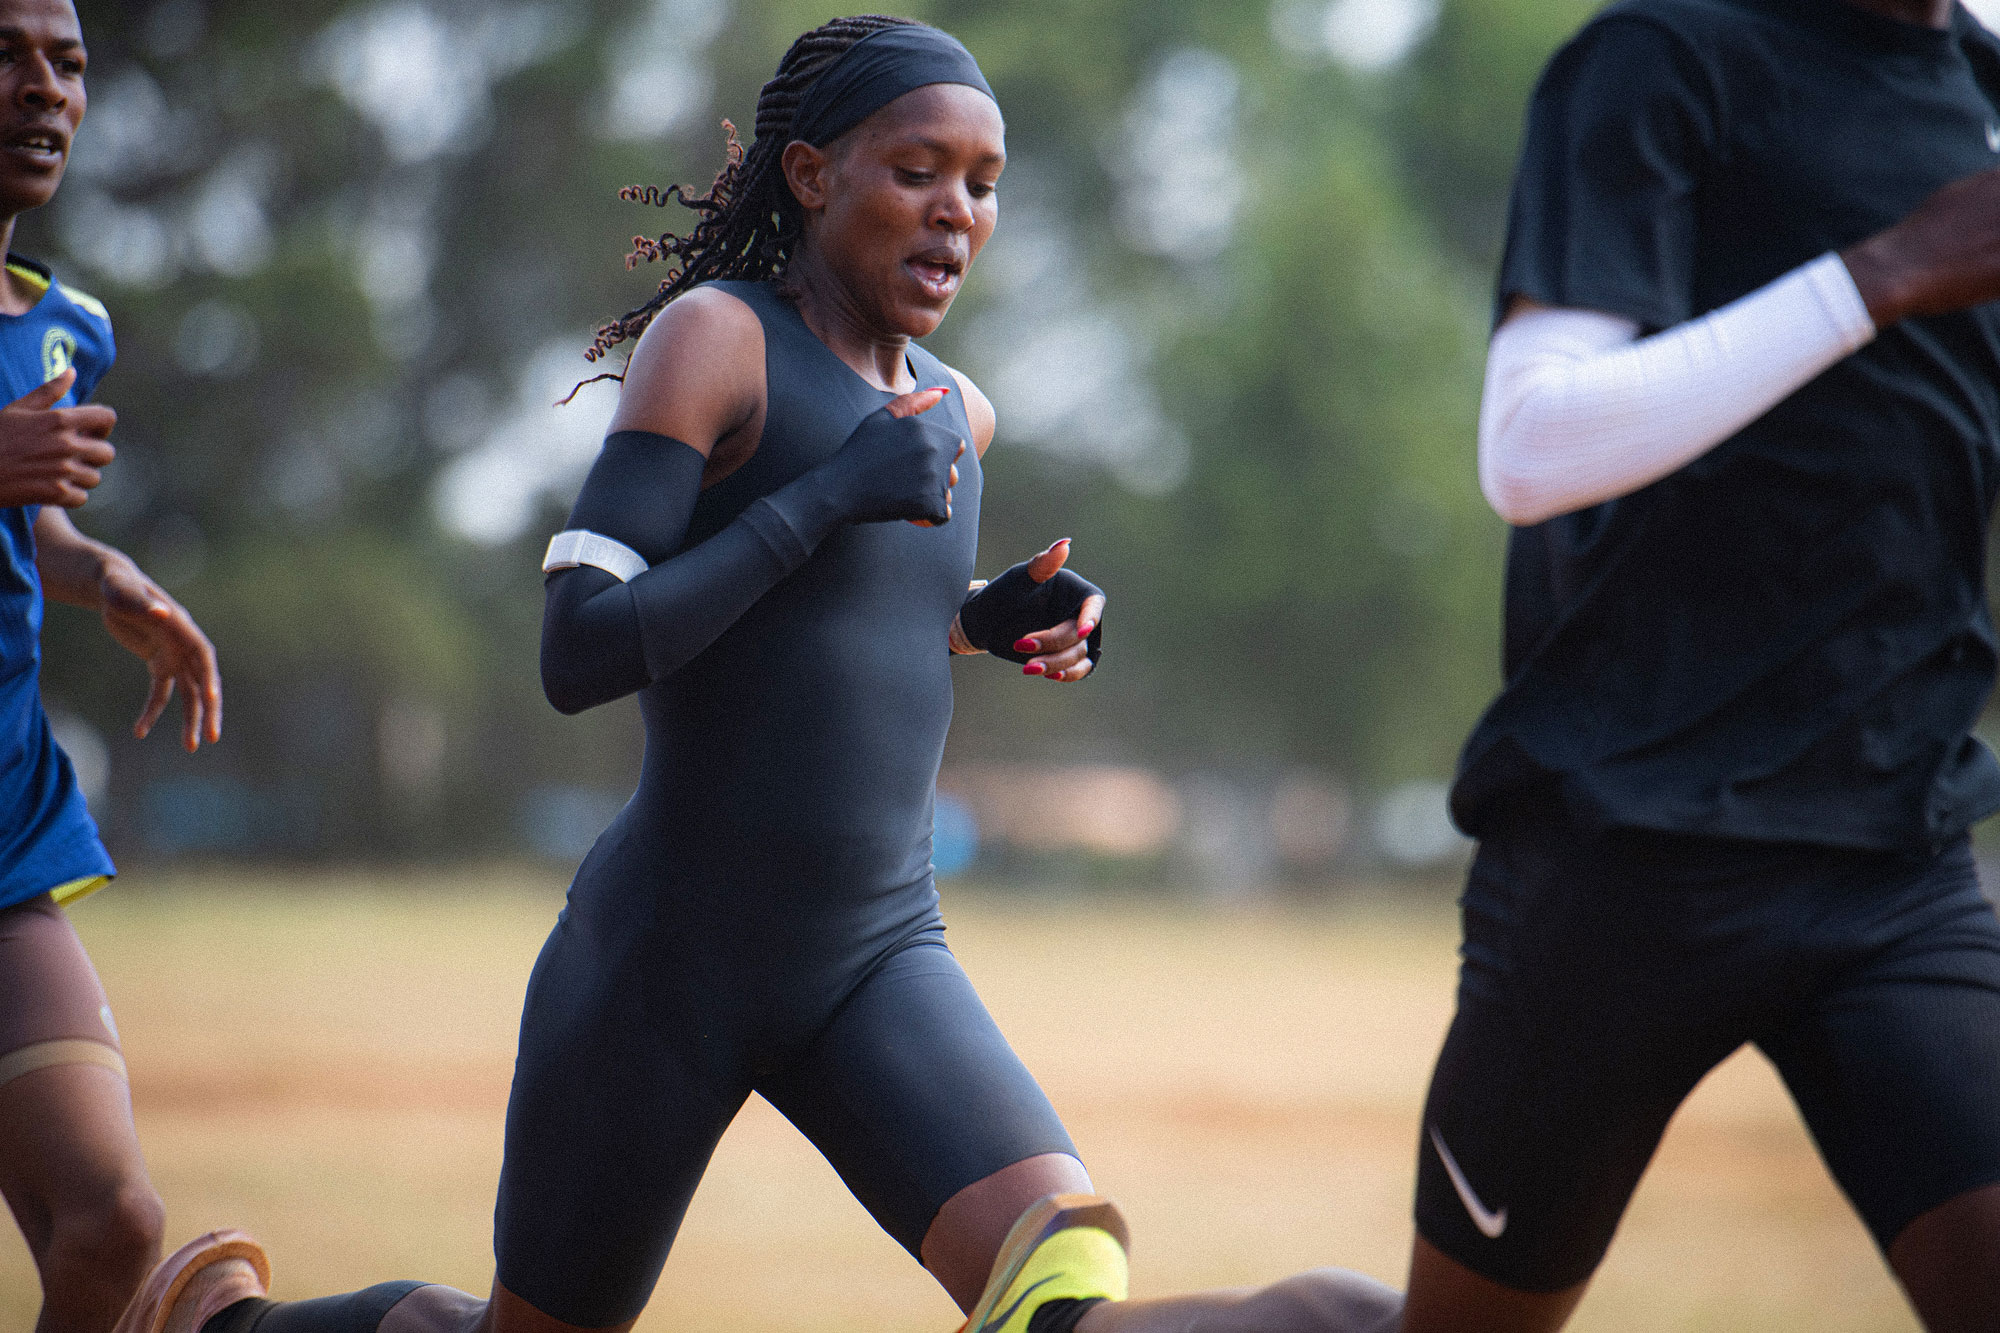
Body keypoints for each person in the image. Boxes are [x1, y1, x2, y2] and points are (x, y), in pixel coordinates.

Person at [118, 17, 1399, 1333]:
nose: (957, 210)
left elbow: (827, 633)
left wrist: (981, 617)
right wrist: (837, 494)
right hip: (667, 965)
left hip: (879, 952)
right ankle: (230, 1327)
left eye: (984, 181)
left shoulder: (959, 415)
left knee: (1061, 1286)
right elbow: (583, 645)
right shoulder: (715, 342)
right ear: (809, 176)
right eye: (917, 170)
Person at [1398, 0, 2000, 1328]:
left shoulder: (1981, 83)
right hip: (1624, 848)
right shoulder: (1663, 60)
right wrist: (1885, 272)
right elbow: (1531, 446)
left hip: (1893, 849)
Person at [0, 2, 225, 1331]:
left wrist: (107, 577)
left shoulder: (64, 324)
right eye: (7, 55)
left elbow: (33, 522)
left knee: (113, 1226)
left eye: (68, 62)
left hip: (7, 829)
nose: (45, 89)